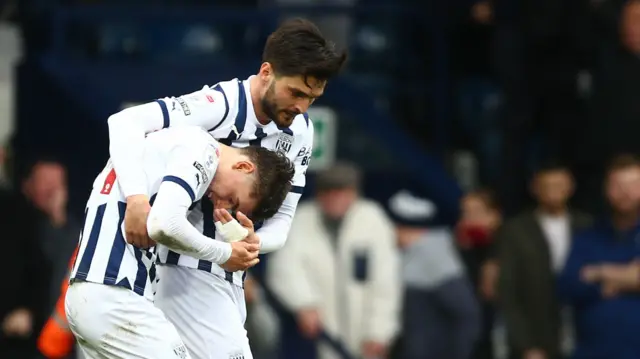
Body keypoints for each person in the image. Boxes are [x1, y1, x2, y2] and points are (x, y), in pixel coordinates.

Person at [106, 18, 347, 359]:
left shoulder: (301, 134)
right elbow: (125, 122)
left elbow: (284, 218)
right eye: (296, 93)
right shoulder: (221, 104)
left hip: (226, 274)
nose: (302, 108)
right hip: (177, 268)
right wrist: (136, 200)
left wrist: (253, 244)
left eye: (312, 98)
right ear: (267, 72)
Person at [65, 126, 295, 359]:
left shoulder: (163, 146)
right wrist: (225, 253)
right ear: (244, 167)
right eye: (232, 200)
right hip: (114, 295)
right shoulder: (201, 149)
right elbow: (165, 224)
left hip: (93, 295)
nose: (222, 206)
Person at [267, 162, 401, 359]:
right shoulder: (303, 219)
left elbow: (386, 282)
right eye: (329, 192)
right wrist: (304, 303)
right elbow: (284, 268)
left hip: (365, 338)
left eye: (342, 191)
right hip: (319, 335)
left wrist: (379, 332)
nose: (335, 198)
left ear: (354, 193)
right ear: (319, 194)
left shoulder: (373, 220)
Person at [498, 162, 591, 359]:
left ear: (570, 187)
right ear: (534, 188)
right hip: (537, 338)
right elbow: (508, 292)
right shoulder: (515, 231)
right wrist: (525, 346)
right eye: (547, 186)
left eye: (559, 185)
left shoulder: (588, 225)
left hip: (585, 335)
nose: (553, 192)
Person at [557, 154, 640, 359]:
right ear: (607, 189)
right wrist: (625, 279)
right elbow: (567, 285)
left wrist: (599, 272)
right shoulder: (588, 236)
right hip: (593, 352)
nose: (626, 193)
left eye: (633, 184)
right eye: (618, 185)